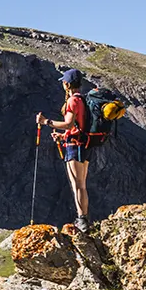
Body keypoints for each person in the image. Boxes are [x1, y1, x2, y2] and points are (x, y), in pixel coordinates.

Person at [37, 69, 90, 233]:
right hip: (85, 144)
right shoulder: (83, 99)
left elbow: (68, 123)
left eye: (63, 82)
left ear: (67, 84)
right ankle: (83, 218)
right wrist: (63, 136)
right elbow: (77, 126)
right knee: (81, 184)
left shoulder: (73, 101)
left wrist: (46, 121)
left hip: (75, 146)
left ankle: (82, 220)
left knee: (78, 185)